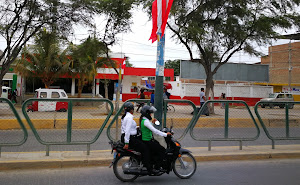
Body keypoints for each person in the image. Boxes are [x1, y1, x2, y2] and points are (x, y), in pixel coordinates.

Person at [120, 102, 154, 174]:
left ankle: (141, 161)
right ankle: (149, 168)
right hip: (130, 138)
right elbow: (127, 131)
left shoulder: (125, 116)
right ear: (131, 109)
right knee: (145, 148)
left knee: (142, 145)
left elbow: (128, 128)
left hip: (129, 137)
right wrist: (126, 143)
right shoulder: (129, 118)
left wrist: (138, 127)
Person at [139, 105, 172, 171]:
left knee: (157, 148)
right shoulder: (145, 121)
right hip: (147, 141)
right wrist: (165, 134)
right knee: (162, 149)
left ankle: (154, 164)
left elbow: (149, 127)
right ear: (147, 113)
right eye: (150, 113)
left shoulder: (144, 120)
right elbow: (155, 131)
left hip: (147, 140)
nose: (151, 115)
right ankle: (157, 167)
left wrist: (152, 122)